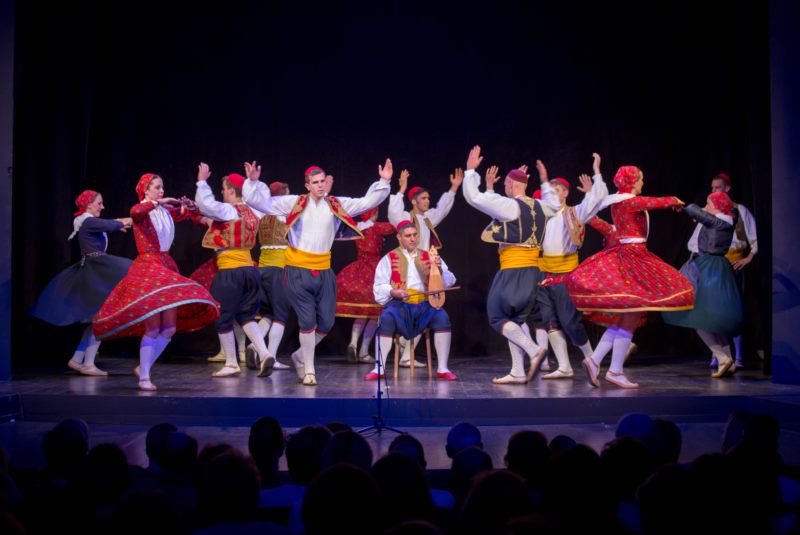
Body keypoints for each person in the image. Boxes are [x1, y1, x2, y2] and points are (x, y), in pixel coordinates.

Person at [243, 160, 392, 385]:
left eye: (323, 181)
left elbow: (366, 202)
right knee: (307, 320)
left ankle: (300, 356)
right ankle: (310, 370)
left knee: (326, 323)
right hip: (297, 270)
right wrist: (253, 182)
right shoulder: (294, 203)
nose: (320, 186)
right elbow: (261, 202)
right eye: (315, 182)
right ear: (307, 185)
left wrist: (384, 180)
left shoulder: (335, 204)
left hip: (323, 271)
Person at [544, 165, 694, 388]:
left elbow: (602, 217)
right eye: (640, 178)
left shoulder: (620, 201)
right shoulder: (627, 201)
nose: (642, 182)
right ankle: (613, 370)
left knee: (625, 317)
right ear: (632, 181)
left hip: (632, 256)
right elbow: (654, 202)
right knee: (631, 317)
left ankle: (597, 363)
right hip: (633, 258)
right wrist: (674, 200)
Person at [93, 173, 219, 391]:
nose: (161, 191)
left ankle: (143, 366)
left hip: (166, 265)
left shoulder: (164, 211)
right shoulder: (142, 210)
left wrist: (189, 205)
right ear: (146, 190)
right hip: (148, 268)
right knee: (153, 327)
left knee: (169, 328)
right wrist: (158, 202)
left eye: (162, 188)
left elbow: (190, 214)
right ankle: (144, 377)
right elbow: (136, 212)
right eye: (157, 187)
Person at [461, 145, 561, 384]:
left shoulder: (510, 206)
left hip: (513, 269)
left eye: (507, 183)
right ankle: (517, 370)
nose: (505, 188)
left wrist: (470, 172)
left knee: (497, 317)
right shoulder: (541, 206)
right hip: (533, 272)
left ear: (512, 185)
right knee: (513, 321)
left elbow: (473, 198)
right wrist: (541, 183)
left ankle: (534, 350)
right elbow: (555, 203)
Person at [29, 190, 132, 376]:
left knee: (95, 319)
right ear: (89, 204)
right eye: (99, 203)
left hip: (96, 268)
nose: (102, 206)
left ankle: (77, 360)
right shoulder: (88, 221)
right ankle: (89, 364)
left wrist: (120, 222)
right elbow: (109, 224)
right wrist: (136, 216)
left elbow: (110, 223)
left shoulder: (88, 221)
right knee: (101, 317)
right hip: (97, 268)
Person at [194, 163, 277, 378]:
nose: (222, 192)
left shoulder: (228, 210)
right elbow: (208, 214)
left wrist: (202, 181)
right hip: (250, 271)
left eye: (224, 189)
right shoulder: (254, 212)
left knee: (222, 316)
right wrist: (254, 181)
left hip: (230, 271)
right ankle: (265, 352)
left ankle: (231, 362)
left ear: (232, 190)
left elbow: (206, 204)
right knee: (246, 315)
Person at [535, 154, 608, 379]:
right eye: (550, 191)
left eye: (556, 190)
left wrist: (596, 174)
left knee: (570, 321)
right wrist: (543, 179)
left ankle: (592, 359)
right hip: (543, 274)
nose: (552, 194)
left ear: (566, 193)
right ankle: (564, 366)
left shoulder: (574, 213)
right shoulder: (542, 216)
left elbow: (597, 200)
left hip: (565, 274)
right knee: (549, 321)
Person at [365, 220, 458, 381]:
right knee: (386, 318)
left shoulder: (430, 256)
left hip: (424, 303)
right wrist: (393, 291)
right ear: (399, 237)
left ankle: (442, 368)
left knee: (442, 317)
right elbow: (379, 286)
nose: (413, 239)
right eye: (408, 236)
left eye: (415, 235)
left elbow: (450, 281)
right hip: (399, 304)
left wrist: (439, 268)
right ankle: (378, 368)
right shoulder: (389, 258)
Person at [663, 192, 743, 377]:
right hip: (715, 267)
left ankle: (721, 357)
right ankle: (728, 361)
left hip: (708, 268)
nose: (705, 206)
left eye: (708, 203)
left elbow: (693, 209)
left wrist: (680, 203)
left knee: (697, 317)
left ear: (717, 206)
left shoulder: (718, 221)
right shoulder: (724, 220)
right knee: (713, 320)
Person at [388, 168, 461, 367]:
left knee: (431, 304)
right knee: (422, 305)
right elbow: (393, 212)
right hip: (409, 267)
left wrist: (454, 187)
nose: (428, 201)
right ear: (414, 201)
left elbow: (442, 209)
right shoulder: (405, 218)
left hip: (426, 266)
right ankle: (404, 348)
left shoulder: (428, 219)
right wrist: (401, 190)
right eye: (424, 198)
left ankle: (405, 352)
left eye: (428, 198)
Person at [689, 172, 758, 368]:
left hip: (731, 263)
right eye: (712, 189)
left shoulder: (735, 212)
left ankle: (736, 357)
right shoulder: (712, 217)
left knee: (729, 311)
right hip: (711, 265)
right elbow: (694, 243)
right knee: (714, 311)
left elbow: (753, 236)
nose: (714, 192)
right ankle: (720, 355)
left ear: (727, 189)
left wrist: (749, 257)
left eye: (717, 188)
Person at [334, 207, 396, 364]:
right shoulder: (376, 227)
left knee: (363, 310)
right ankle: (363, 351)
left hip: (358, 267)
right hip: (374, 269)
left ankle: (353, 344)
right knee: (375, 312)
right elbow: (394, 226)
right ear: (373, 213)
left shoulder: (357, 227)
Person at [249, 180, 294, 370]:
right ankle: (271, 357)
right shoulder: (286, 215)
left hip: (262, 268)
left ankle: (254, 345)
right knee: (281, 315)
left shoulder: (261, 213)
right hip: (279, 268)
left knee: (268, 313)